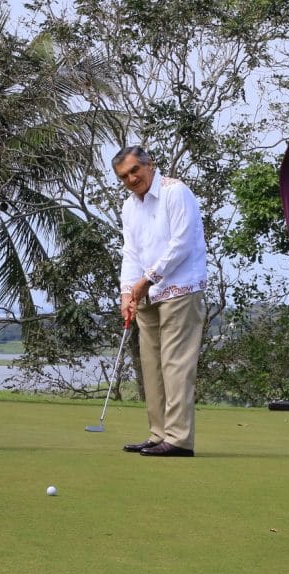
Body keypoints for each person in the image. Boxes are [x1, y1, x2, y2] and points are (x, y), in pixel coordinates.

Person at [113, 145, 208, 458]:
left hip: (180, 289)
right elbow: (131, 252)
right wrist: (127, 292)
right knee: (152, 365)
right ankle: (158, 434)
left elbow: (182, 244)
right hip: (147, 294)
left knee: (175, 365)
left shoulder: (175, 192)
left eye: (134, 171)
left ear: (148, 165)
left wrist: (146, 280)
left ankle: (179, 439)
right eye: (124, 176)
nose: (131, 179)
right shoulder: (129, 206)